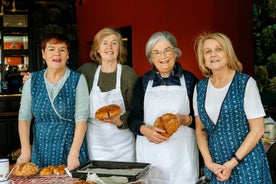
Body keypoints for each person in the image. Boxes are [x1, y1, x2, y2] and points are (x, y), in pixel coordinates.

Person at [193, 32, 272, 183]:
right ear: (203, 58)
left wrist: (233, 162)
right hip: (217, 168)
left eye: (219, 49)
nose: (213, 55)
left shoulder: (246, 83)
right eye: (207, 51)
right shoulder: (200, 88)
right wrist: (208, 163)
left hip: (248, 166)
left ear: (228, 53)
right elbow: (200, 130)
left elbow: (258, 130)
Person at [128, 31, 199, 184]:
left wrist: (185, 119)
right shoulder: (143, 83)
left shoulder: (189, 80)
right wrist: (145, 130)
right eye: (157, 52)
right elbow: (133, 119)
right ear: (151, 58)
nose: (163, 56)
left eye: (167, 50)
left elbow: (202, 120)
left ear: (175, 52)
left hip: (183, 158)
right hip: (151, 155)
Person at [17, 33, 89, 170]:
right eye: (51, 49)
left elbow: (82, 119)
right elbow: (24, 118)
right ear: (43, 53)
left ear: (67, 55)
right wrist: (26, 151)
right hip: (40, 149)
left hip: (70, 147)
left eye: (62, 50)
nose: (57, 54)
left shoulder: (78, 80)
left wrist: (74, 154)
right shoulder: (32, 80)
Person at [77, 28, 137, 162]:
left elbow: (135, 110)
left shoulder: (128, 74)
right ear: (97, 48)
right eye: (104, 43)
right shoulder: (87, 71)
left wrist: (119, 121)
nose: (109, 47)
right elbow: (63, 80)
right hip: (96, 143)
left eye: (114, 43)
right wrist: (33, 78)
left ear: (119, 48)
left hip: (123, 144)